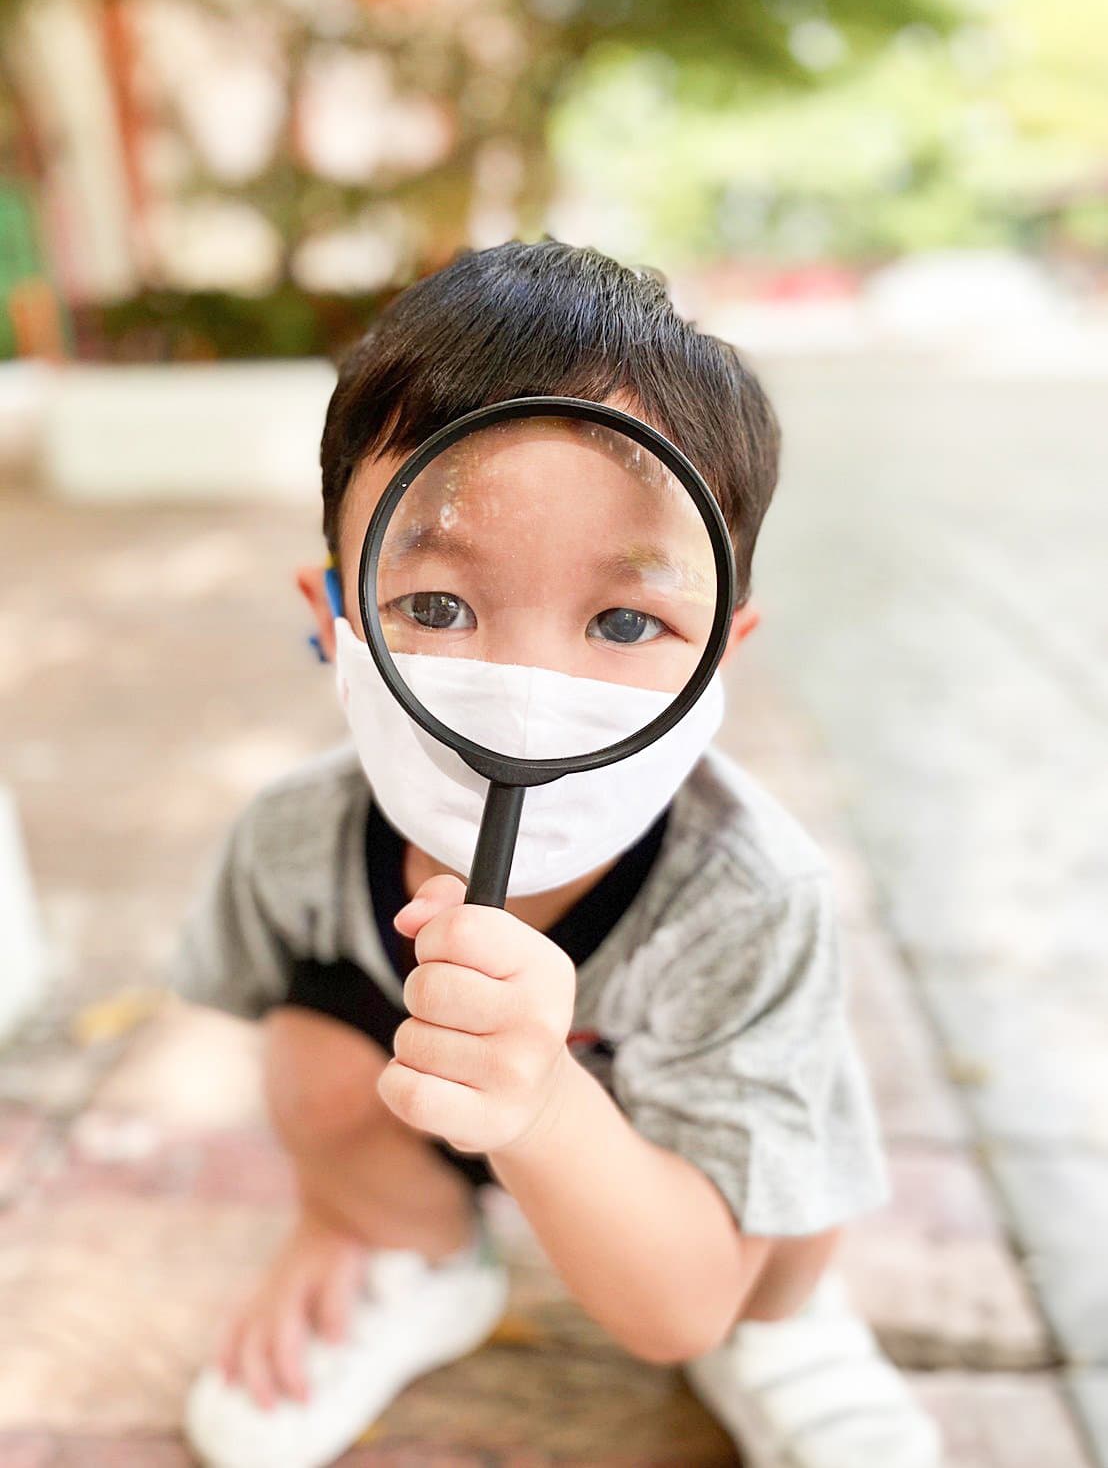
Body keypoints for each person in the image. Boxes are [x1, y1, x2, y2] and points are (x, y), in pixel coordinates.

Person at [174, 239, 942, 1468]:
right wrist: (329, 1210)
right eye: (435, 606)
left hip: (699, 1203)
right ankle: (414, 1252)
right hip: (414, 1110)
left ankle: (785, 1330)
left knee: (789, 1182)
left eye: (626, 619)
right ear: (333, 617)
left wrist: (540, 1100)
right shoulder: (291, 841)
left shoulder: (749, 896)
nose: (526, 690)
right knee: (307, 1046)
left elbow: (662, 1313)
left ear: (719, 657)